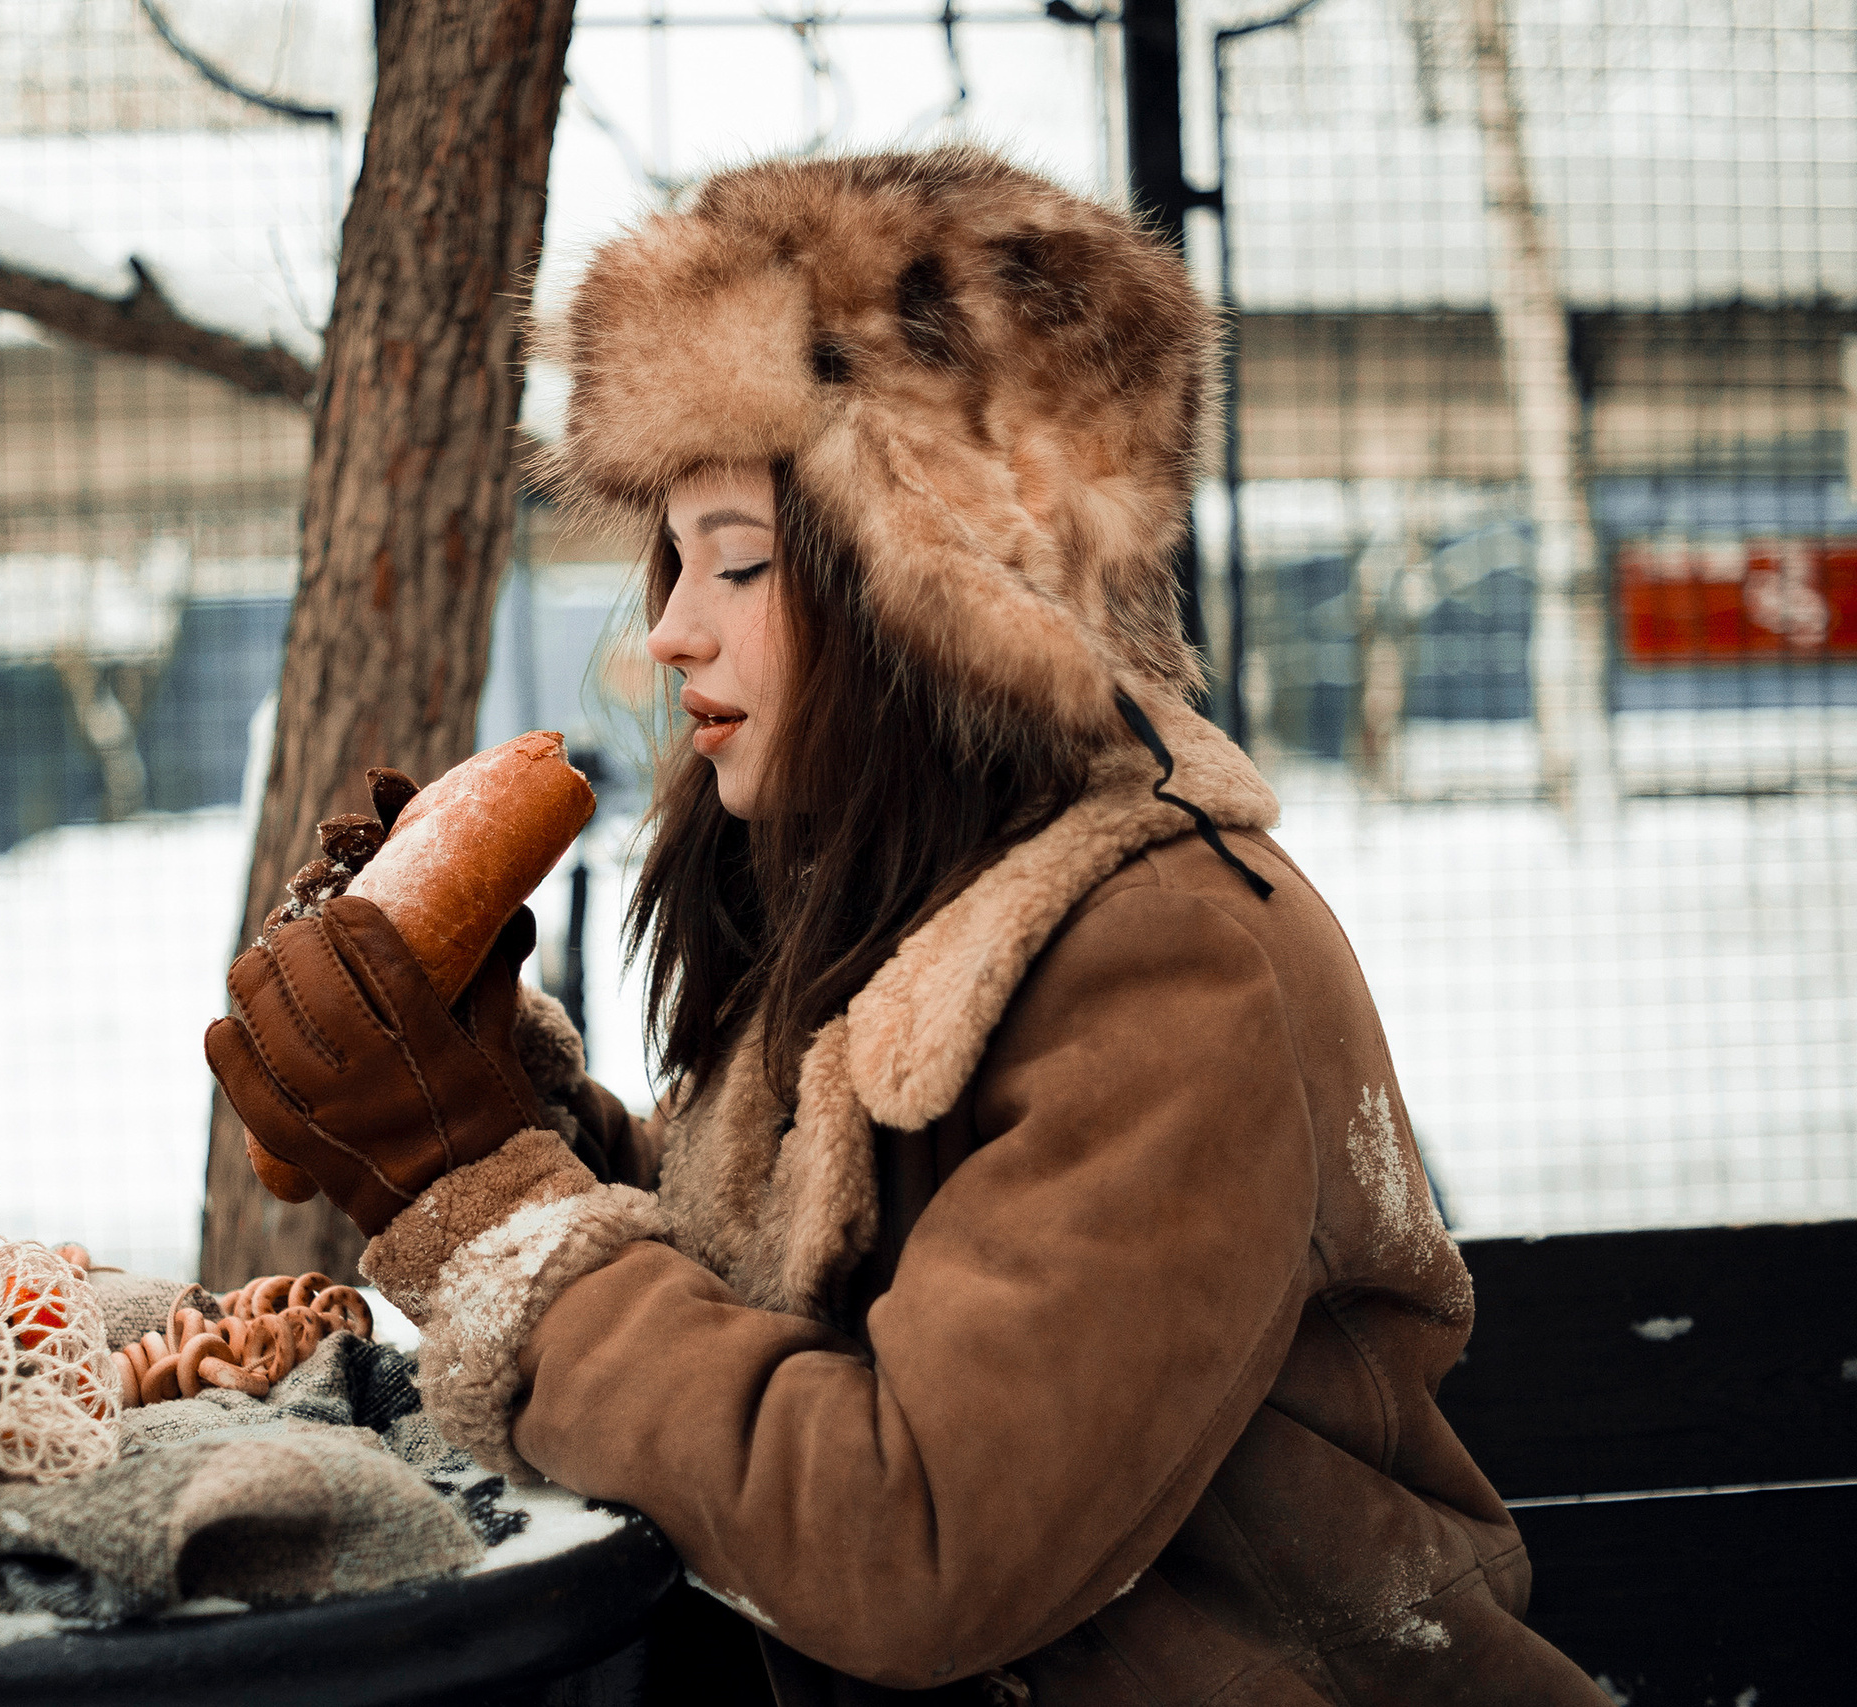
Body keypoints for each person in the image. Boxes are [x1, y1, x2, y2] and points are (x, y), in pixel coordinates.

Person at [205, 146, 1604, 1704]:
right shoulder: (880, 908)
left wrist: (485, 1198)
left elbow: (914, 1542)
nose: (671, 627)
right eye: (674, 558)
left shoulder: (1178, 963)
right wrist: (506, 1113)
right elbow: (783, 1296)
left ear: (947, 588)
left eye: (739, 559)